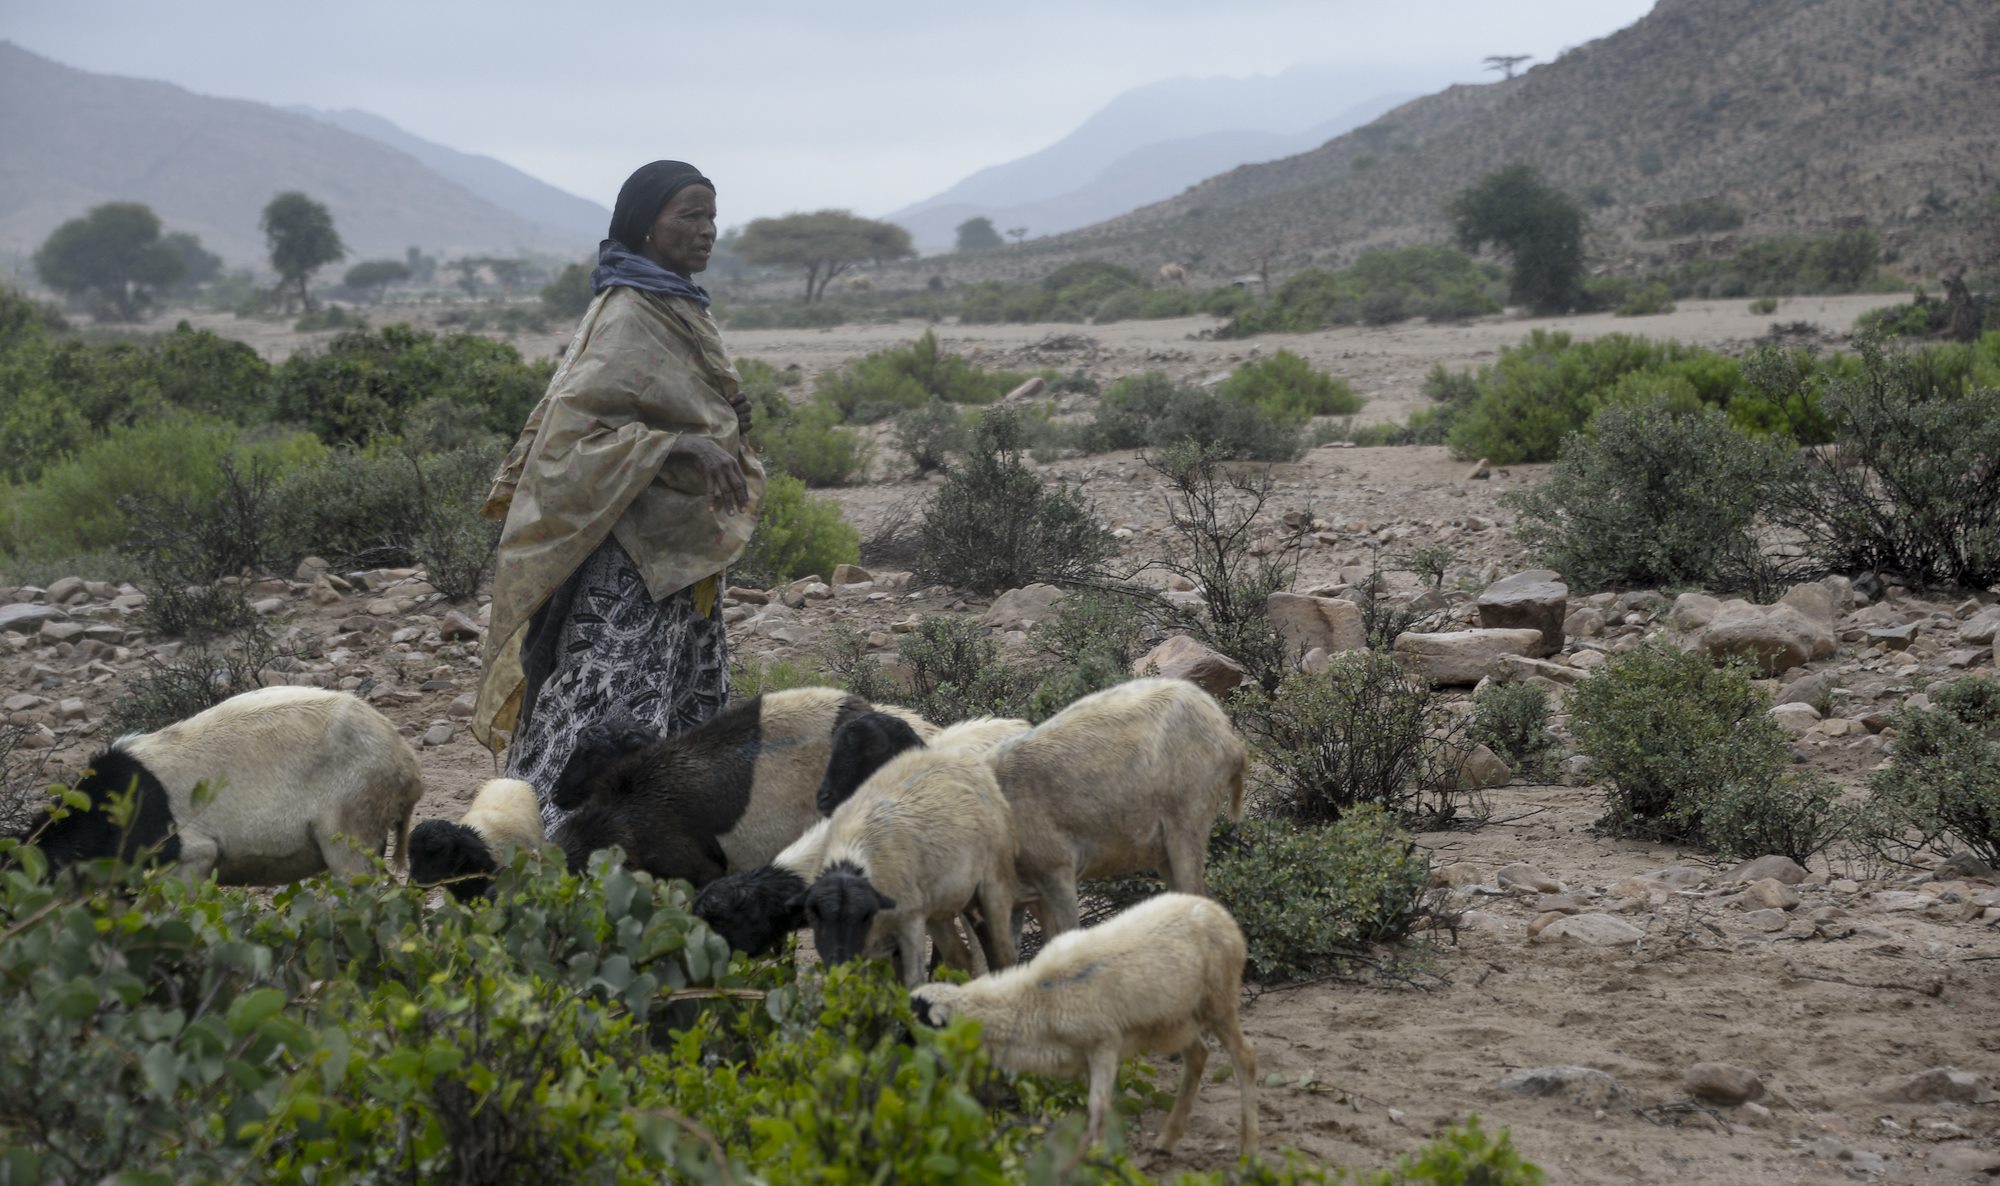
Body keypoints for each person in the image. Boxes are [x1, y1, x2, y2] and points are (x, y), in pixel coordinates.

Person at [470, 160, 763, 827]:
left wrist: (724, 421)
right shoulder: (629, 311)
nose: (706, 230)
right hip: (628, 566)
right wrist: (680, 444)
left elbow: (677, 407)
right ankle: (533, 847)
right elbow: (570, 441)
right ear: (646, 225)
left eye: (711, 216)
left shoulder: (676, 304)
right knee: (597, 718)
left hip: (678, 558)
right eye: (688, 215)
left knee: (683, 719)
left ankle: (661, 864)